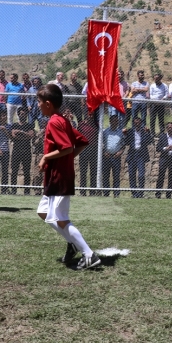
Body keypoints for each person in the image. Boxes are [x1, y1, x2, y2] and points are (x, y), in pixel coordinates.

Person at [34, 83, 100, 270]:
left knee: (61, 218)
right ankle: (72, 243)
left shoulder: (55, 121)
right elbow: (81, 142)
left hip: (59, 177)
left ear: (48, 103)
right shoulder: (62, 120)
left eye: (39, 102)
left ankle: (88, 254)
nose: (37, 105)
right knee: (43, 212)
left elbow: (67, 148)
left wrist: (46, 156)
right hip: (55, 176)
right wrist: (66, 158)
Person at [124, 116, 152, 198]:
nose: (137, 124)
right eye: (135, 123)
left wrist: (148, 133)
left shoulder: (144, 132)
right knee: (132, 175)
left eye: (139, 123)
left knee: (141, 175)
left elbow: (149, 141)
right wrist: (125, 135)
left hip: (141, 155)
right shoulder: (129, 131)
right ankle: (134, 193)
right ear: (133, 123)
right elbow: (126, 143)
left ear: (141, 123)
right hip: (132, 155)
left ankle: (140, 193)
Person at [10, 107, 34, 195]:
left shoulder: (29, 125)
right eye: (20, 114)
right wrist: (24, 134)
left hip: (26, 151)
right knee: (14, 171)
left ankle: (27, 191)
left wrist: (20, 132)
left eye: (24, 114)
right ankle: (13, 190)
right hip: (16, 150)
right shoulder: (14, 125)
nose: (22, 115)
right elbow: (13, 135)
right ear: (18, 114)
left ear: (26, 115)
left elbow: (30, 135)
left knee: (27, 171)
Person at [102, 115, 125, 198]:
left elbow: (123, 145)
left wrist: (120, 152)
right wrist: (104, 152)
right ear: (110, 121)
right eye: (114, 121)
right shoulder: (105, 132)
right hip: (106, 157)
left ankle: (116, 193)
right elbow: (101, 144)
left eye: (117, 121)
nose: (116, 122)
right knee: (106, 176)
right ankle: (106, 193)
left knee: (116, 176)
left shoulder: (120, 132)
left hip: (116, 157)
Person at [155, 121, 172, 199]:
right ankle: (158, 193)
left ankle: (168, 194)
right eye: (169, 127)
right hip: (164, 158)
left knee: (171, 176)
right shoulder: (162, 136)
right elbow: (158, 148)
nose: (170, 129)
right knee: (161, 175)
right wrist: (166, 148)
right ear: (166, 128)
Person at [77, 113, 99, 196]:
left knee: (93, 171)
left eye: (91, 114)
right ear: (86, 115)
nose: (90, 116)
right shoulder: (81, 125)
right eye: (89, 114)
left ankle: (92, 192)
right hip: (83, 150)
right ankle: (83, 191)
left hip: (93, 149)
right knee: (83, 171)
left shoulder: (96, 125)